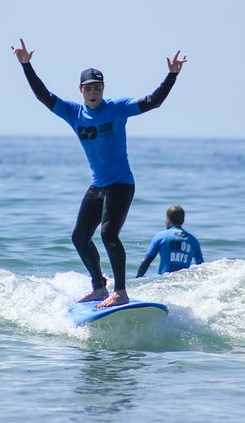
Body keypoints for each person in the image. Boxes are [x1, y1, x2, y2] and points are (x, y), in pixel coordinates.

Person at [11, 38, 187, 308]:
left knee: (108, 234)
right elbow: (43, 96)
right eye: (89, 88)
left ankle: (121, 291)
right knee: (79, 237)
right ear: (81, 90)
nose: (94, 92)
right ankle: (98, 287)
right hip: (98, 186)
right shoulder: (73, 112)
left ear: (103, 89)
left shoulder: (116, 108)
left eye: (98, 87)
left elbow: (153, 102)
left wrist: (171, 75)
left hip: (121, 184)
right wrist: (27, 66)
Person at [136, 205, 203, 278]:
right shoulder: (193, 240)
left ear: (168, 219)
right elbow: (201, 266)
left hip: (164, 281)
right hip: (184, 282)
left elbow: (146, 261)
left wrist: (138, 278)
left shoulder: (161, 236)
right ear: (183, 221)